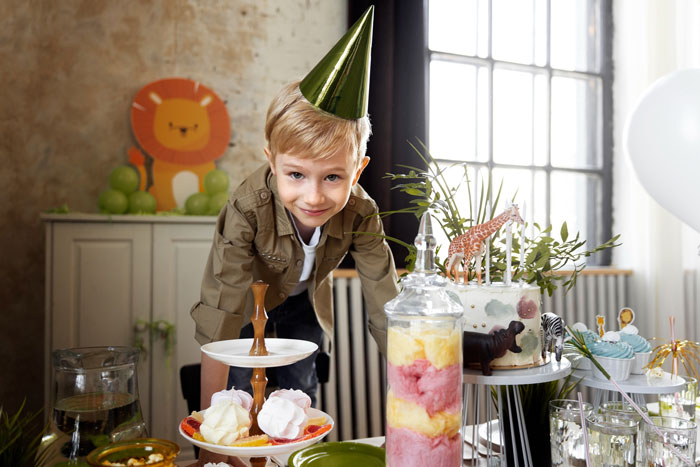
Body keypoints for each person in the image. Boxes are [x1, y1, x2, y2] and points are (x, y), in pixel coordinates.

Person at [189, 6, 398, 464]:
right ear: (272, 161)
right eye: (297, 174)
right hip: (244, 304)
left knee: (297, 394)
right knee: (241, 396)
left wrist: (415, 384)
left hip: (306, 302)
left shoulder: (362, 212)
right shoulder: (247, 207)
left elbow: (385, 301)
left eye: (332, 178)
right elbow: (219, 315)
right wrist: (210, 439)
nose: (314, 196)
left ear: (358, 170)